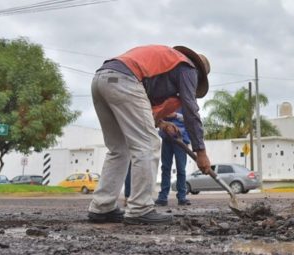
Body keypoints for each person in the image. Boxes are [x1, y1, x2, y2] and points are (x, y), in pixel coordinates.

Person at [87, 45, 212, 225]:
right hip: (125, 80)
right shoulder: (187, 67)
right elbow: (190, 109)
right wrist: (200, 151)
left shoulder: (166, 65)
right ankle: (140, 208)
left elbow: (141, 107)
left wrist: (161, 123)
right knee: (148, 144)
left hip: (103, 80)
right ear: (198, 73)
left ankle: (102, 207)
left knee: (119, 149)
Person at [155, 112, 191, 206]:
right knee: (165, 168)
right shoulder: (164, 99)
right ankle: (163, 197)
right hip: (166, 138)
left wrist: (176, 115)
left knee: (181, 169)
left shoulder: (185, 100)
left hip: (181, 139)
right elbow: (156, 117)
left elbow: (190, 118)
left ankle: (182, 197)